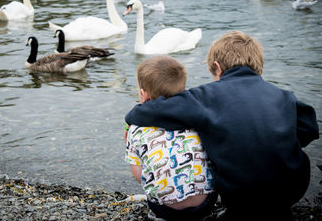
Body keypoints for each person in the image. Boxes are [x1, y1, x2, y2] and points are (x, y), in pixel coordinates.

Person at [125, 31, 319, 221]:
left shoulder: (205, 96)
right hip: (292, 189)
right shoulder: (284, 96)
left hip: (240, 193)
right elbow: (309, 129)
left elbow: (159, 110)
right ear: (258, 67)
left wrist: (134, 113)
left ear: (217, 68)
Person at [124, 55, 217, 221]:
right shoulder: (198, 117)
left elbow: (138, 174)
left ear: (143, 95)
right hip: (205, 204)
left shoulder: (136, 128)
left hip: (165, 209)